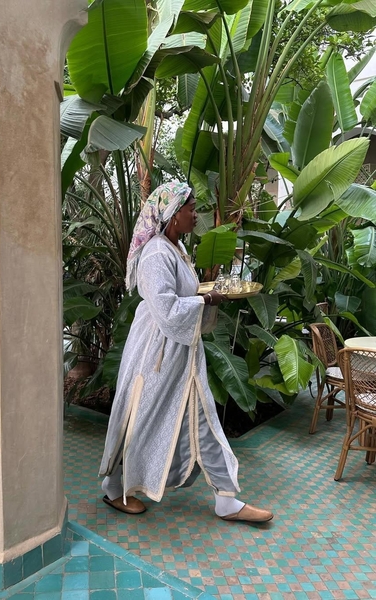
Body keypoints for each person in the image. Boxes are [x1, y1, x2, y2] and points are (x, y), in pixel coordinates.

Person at [99, 182, 273, 523]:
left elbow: (183, 296)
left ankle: (226, 498)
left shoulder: (174, 249)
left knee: (203, 420)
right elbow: (165, 310)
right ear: (171, 214)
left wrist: (205, 295)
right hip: (156, 356)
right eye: (191, 209)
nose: (196, 215)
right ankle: (113, 485)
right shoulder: (156, 254)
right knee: (141, 417)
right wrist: (207, 299)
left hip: (182, 355)